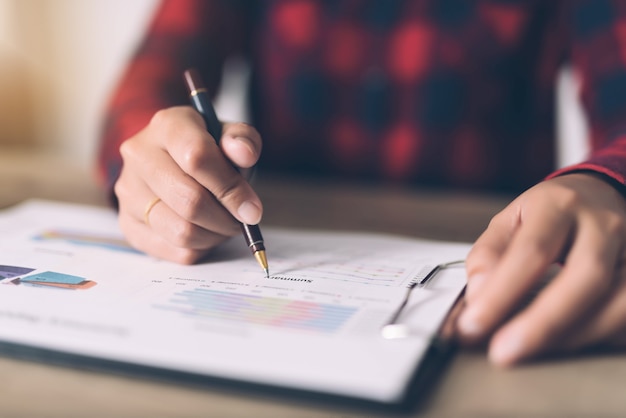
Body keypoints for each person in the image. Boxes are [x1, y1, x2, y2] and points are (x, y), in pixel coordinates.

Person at [98, 0, 626, 367]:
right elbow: (150, 82)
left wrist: (605, 181)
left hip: (487, 272)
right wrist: (155, 157)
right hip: (285, 256)